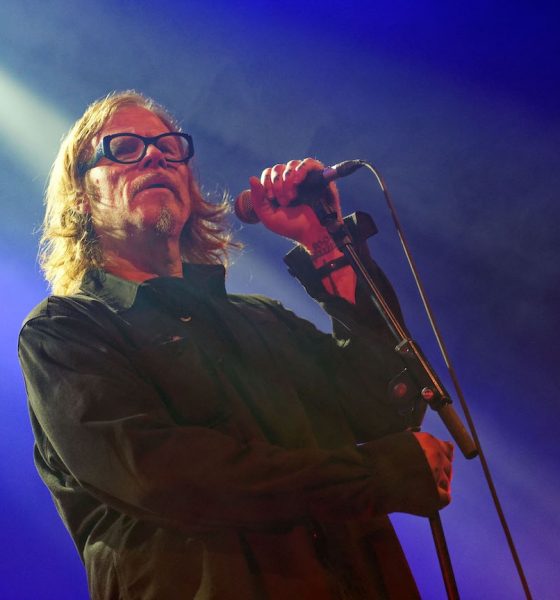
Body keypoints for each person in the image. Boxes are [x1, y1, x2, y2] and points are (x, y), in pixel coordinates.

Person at [18, 91, 453, 600]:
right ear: (81, 197)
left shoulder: (259, 319)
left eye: (168, 147)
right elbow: (160, 475)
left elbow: (384, 400)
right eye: (125, 147)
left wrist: (325, 244)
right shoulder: (66, 332)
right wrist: (373, 474)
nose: (157, 155)